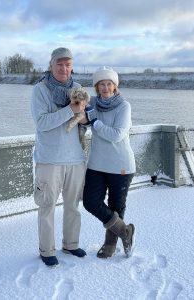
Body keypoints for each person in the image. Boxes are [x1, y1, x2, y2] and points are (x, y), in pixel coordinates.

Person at [31, 47, 87, 267]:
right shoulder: (40, 90)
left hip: (75, 159)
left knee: (73, 205)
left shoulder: (78, 88)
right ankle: (46, 250)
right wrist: (70, 110)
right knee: (47, 206)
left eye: (68, 64)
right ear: (51, 65)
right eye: (60, 64)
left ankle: (71, 244)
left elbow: (81, 117)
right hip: (49, 160)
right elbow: (42, 123)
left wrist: (83, 117)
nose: (64, 68)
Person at [83, 66, 136, 259]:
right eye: (101, 84)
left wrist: (94, 121)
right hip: (96, 164)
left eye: (109, 84)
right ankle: (125, 232)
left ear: (115, 86)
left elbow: (116, 135)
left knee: (116, 206)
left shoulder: (124, 106)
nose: (105, 88)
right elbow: (78, 105)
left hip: (120, 165)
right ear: (96, 87)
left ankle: (109, 244)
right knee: (90, 202)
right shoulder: (93, 103)